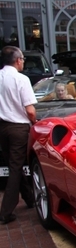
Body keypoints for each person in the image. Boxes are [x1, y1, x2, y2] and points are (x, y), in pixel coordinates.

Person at [0, 46, 37, 224]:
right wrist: (35, 122)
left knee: (13, 163)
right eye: (22, 58)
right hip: (19, 128)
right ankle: (6, 211)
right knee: (15, 168)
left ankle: (29, 198)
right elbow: (30, 110)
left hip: (2, 127)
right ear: (17, 60)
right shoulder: (21, 79)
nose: (23, 61)